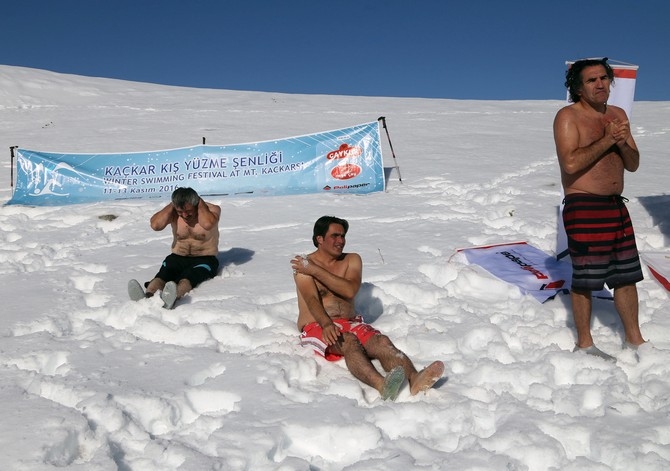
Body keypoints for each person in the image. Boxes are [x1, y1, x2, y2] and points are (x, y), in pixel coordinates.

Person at [291, 215, 444, 400]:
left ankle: (414, 378)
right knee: (348, 341)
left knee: (382, 342)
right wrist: (326, 324)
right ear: (319, 239)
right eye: (335, 236)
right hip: (318, 325)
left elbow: (349, 290)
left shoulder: (351, 260)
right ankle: (382, 385)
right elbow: (312, 300)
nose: (341, 241)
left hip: (349, 321)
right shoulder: (302, 266)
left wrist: (315, 270)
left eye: (343, 236)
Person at [553, 57, 646, 360]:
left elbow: (633, 164)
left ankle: (635, 339)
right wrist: (608, 141)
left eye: (604, 78)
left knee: (626, 275)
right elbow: (570, 163)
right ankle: (584, 343)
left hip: (615, 206)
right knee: (586, 278)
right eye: (592, 80)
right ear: (578, 88)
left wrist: (621, 142)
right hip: (584, 205)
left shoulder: (617, 115)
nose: (600, 84)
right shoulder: (568, 117)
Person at [128, 187, 221, 309]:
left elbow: (208, 224)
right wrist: (173, 206)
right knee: (163, 275)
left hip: (205, 259)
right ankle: (148, 296)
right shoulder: (173, 212)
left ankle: (173, 296)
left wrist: (200, 202)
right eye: (180, 212)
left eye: (188, 211)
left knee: (189, 277)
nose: (185, 215)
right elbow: (156, 225)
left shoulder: (212, 210)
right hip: (177, 256)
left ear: (196, 203)